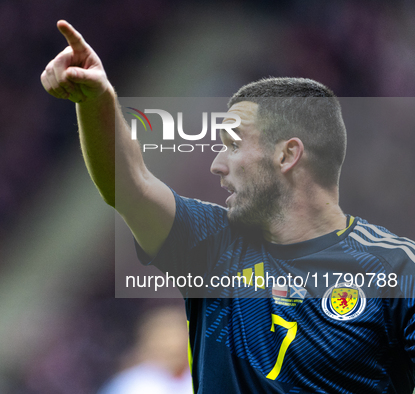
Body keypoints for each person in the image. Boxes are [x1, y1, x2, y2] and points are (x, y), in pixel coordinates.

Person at [41, 20, 415, 394]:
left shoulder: (397, 270)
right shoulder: (213, 243)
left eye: (233, 145)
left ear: (287, 155)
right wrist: (95, 100)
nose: (217, 164)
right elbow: (129, 186)